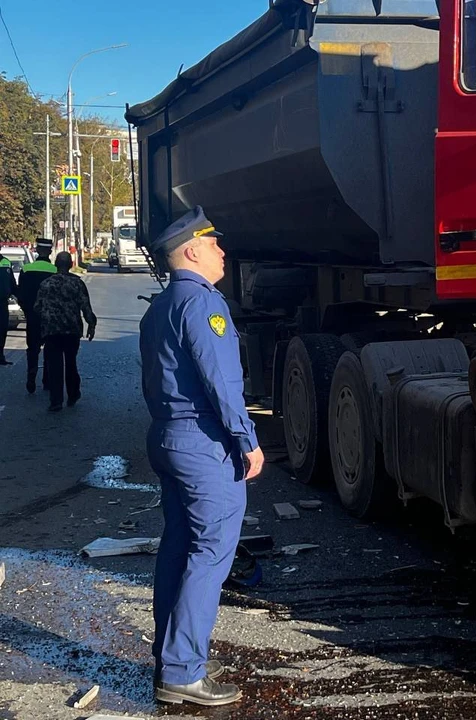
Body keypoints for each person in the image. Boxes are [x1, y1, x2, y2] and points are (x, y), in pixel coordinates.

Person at [139, 206, 264, 707]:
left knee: (179, 547)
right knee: (211, 554)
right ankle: (182, 671)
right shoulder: (203, 305)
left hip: (168, 436)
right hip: (203, 443)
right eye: (214, 244)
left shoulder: (160, 306)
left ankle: (173, 654)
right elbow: (222, 382)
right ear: (191, 250)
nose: (222, 252)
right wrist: (247, 439)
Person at [34, 252, 97, 412]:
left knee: (54, 366)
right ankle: (73, 394)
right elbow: (86, 307)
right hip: (72, 330)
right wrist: (91, 325)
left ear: (56, 264)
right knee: (71, 363)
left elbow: (37, 308)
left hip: (51, 331)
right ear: (70, 264)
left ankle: (56, 401)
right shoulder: (77, 283)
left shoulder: (46, 284)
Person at [16, 238, 57, 392]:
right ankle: (47, 379)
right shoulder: (55, 271)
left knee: (32, 348)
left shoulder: (26, 270)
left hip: (33, 316)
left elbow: (21, 295)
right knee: (50, 349)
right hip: (50, 318)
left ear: (37, 251)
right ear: (50, 252)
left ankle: (31, 376)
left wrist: (27, 311)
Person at [0, 254, 16, 365]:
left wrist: (18, 294)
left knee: (2, 330)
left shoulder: (5, 262)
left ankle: (0, 356)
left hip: (2, 302)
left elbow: (11, 281)